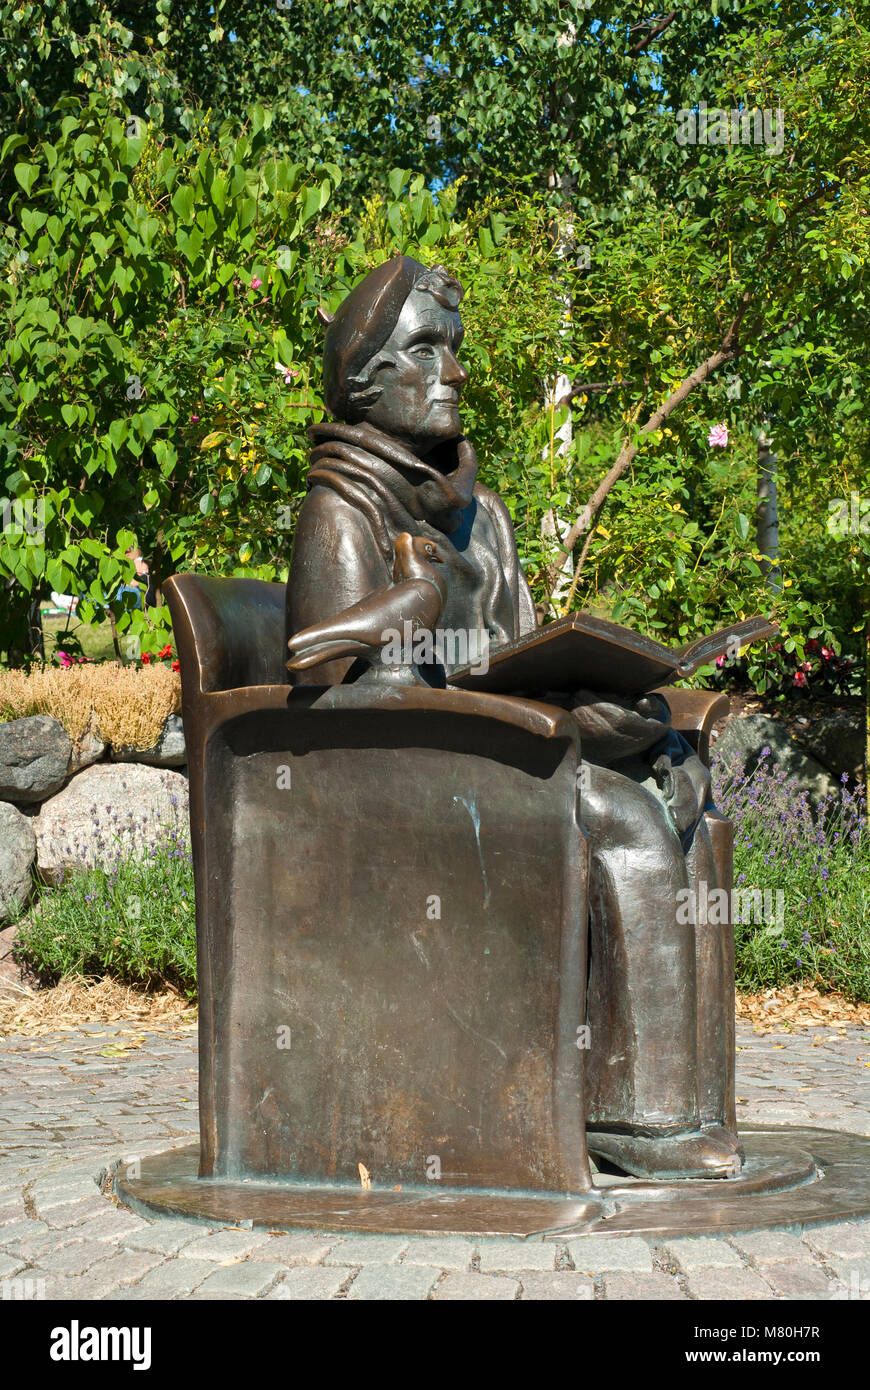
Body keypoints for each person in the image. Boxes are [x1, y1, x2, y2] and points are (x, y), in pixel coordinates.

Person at [286, 256, 740, 1180]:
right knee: (623, 820)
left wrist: (596, 700)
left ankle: (693, 1098)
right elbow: (331, 691)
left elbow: (515, 650)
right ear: (364, 383)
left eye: (456, 351)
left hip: (504, 747)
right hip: (412, 782)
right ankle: (640, 1122)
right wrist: (402, 617)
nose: (454, 372)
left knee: (682, 783)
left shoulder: (479, 513)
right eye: (426, 350)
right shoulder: (344, 510)